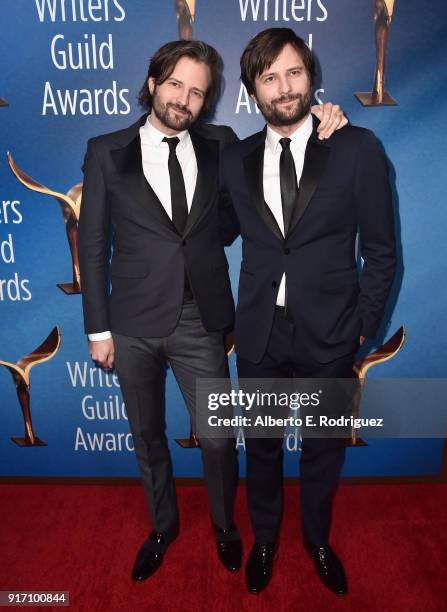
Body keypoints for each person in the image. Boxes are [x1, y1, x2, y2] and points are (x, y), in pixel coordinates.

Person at [78, 38, 346, 583]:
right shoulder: (106, 150)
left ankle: (227, 527)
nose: (184, 99)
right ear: (153, 83)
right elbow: (90, 244)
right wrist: (97, 327)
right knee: (148, 435)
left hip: (202, 320)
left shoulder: (223, 145)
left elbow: (281, 140)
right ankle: (162, 528)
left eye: (197, 92)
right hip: (128, 325)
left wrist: (326, 114)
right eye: (175, 84)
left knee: (221, 438)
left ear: (208, 102)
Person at [220, 28, 396, 595]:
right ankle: (266, 538)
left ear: (311, 76)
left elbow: (382, 252)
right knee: (264, 448)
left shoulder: (357, 147)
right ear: (253, 91)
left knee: (323, 451)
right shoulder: (235, 158)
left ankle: (316, 539)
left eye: (293, 72)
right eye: (269, 77)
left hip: (332, 334)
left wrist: (362, 331)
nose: (284, 86)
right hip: (261, 333)